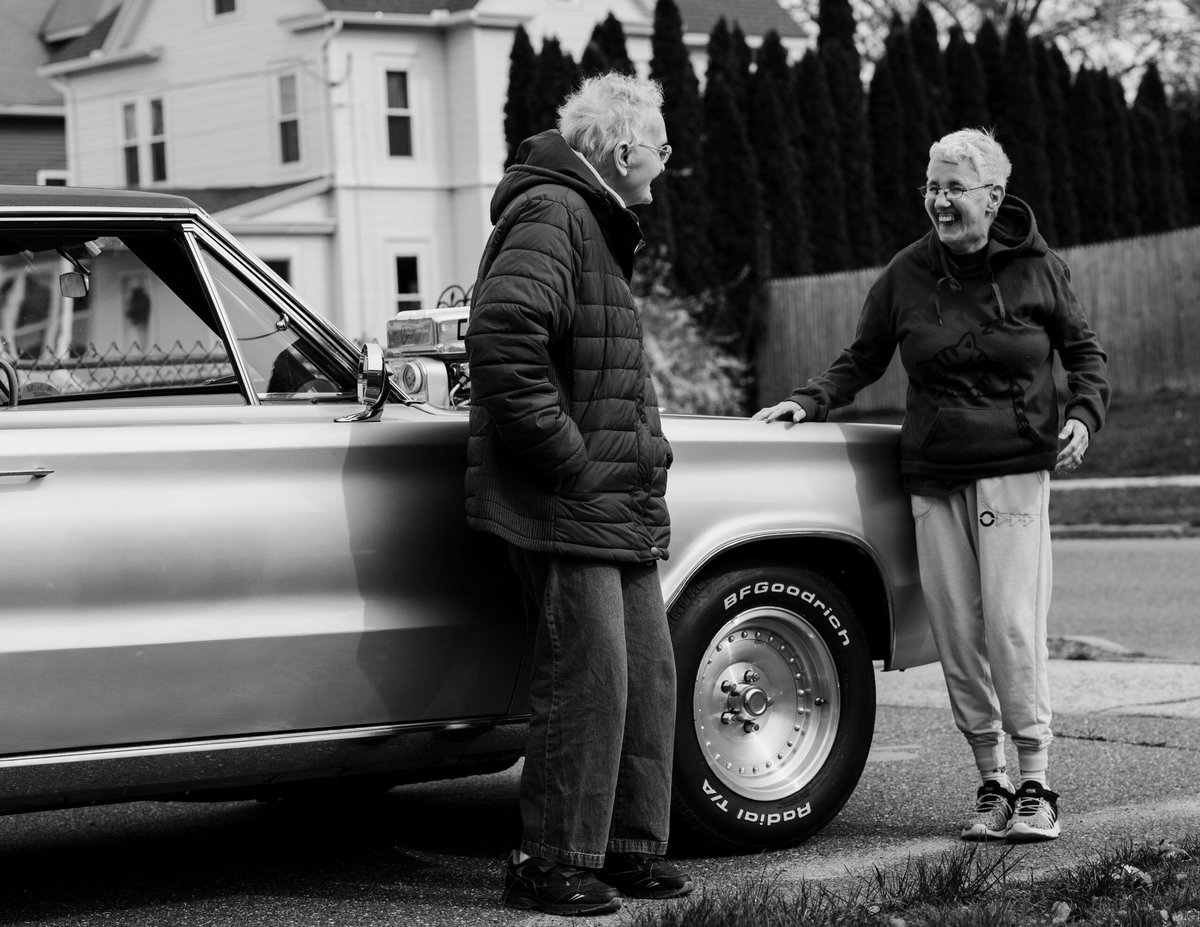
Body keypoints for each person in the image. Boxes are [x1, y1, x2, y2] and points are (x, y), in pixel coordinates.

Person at [754, 128, 1109, 843]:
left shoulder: (1041, 269)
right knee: (956, 632)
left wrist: (1083, 415)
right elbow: (863, 357)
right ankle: (992, 779)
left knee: (1011, 626)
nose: (938, 200)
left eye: (952, 187)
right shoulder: (907, 273)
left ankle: (1038, 781)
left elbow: (1084, 353)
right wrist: (810, 398)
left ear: (993, 196)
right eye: (931, 185)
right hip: (936, 474)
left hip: (1013, 467)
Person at [464, 72, 692, 916]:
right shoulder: (554, 211)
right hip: (563, 498)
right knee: (587, 676)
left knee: (645, 669)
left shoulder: (589, 217)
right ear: (624, 150)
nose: (666, 166)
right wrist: (565, 460)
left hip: (607, 498)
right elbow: (503, 338)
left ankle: (624, 847)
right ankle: (547, 860)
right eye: (662, 149)